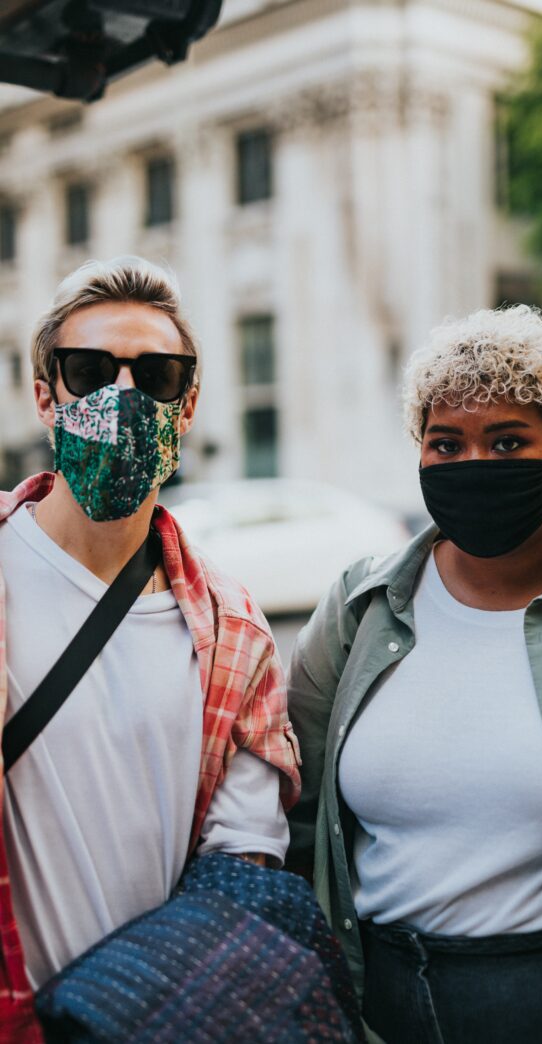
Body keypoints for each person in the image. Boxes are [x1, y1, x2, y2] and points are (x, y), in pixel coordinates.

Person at [286, 305, 542, 1044]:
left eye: (508, 440)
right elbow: (299, 808)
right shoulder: (360, 606)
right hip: (385, 1000)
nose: (473, 463)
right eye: (446, 443)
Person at [0, 257, 301, 1041]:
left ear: (188, 403)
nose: (123, 396)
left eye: (157, 374)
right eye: (90, 369)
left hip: (152, 1018)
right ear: (45, 396)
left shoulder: (237, 632)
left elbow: (243, 869)